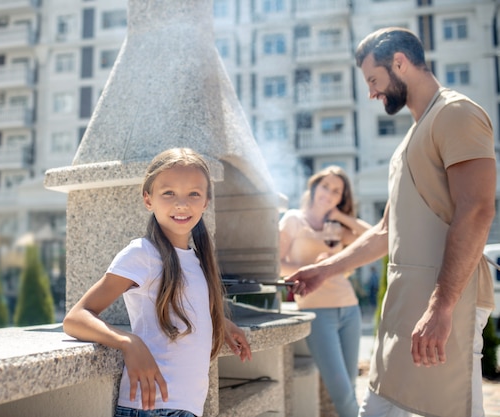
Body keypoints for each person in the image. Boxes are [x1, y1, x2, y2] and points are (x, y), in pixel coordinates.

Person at [287, 27, 496, 417]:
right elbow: (386, 232)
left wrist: (441, 306)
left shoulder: (456, 114)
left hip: (447, 304)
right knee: (380, 405)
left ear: (399, 62)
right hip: (404, 306)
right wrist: (324, 270)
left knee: (450, 409)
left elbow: (478, 209)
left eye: (373, 79)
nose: (371, 93)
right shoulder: (407, 143)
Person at [63, 148, 252, 417]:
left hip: (183, 407)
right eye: (168, 193)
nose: (182, 204)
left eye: (193, 194)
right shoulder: (143, 253)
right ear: (148, 199)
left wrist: (222, 324)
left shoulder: (197, 260)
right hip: (153, 408)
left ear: (206, 202)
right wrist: (128, 342)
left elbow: (186, 309)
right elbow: (76, 318)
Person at [279, 165, 371, 417]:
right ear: (314, 186)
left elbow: (374, 236)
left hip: (349, 309)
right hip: (316, 311)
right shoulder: (293, 219)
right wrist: (314, 268)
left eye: (337, 191)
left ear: (342, 198)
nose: (329, 193)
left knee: (350, 387)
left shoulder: (335, 228)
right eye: (326, 186)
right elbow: (276, 263)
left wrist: (340, 216)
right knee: (341, 392)